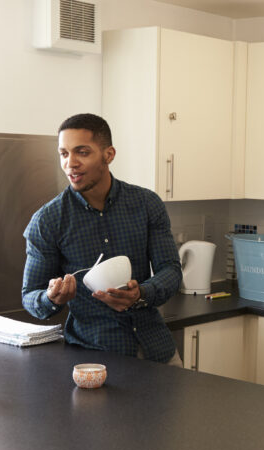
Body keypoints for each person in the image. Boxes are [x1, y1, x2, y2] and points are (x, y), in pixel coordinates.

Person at [22, 113, 183, 365]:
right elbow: (30, 295)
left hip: (158, 351)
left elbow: (171, 270)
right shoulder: (47, 221)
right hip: (94, 360)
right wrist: (51, 298)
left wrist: (141, 293)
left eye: (82, 152)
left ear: (108, 155)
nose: (70, 163)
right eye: (64, 154)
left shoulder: (146, 204)